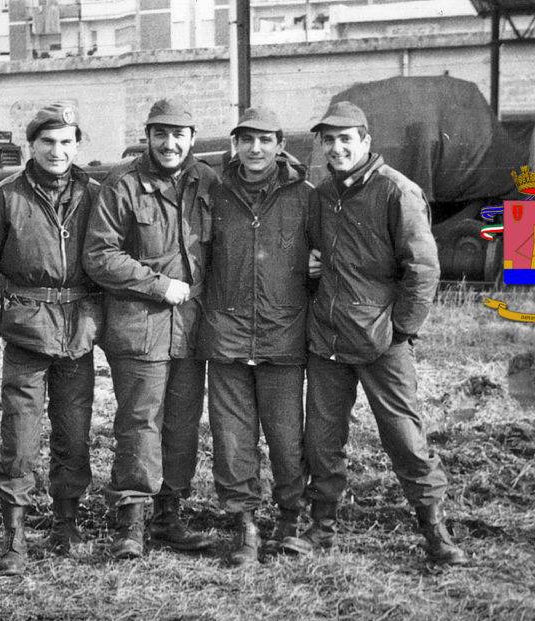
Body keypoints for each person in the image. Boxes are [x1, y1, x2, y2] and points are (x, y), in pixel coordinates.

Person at [303, 100, 466, 565]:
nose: (337, 149)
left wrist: (401, 331)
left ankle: (435, 529)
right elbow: (314, 260)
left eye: (345, 140)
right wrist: (312, 271)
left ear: (366, 141)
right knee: (322, 438)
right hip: (329, 338)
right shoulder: (320, 197)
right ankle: (323, 527)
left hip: (381, 341)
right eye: (329, 141)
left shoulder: (398, 192)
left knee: (403, 436)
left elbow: (423, 268)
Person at [0, 102, 101, 575]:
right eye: (48, 142)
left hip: (78, 331)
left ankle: (67, 523)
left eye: (66, 142)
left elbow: (113, 255)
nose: (57, 151)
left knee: (74, 433)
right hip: (25, 332)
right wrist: (0, 318)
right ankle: (15, 535)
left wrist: (97, 314)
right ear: (32, 145)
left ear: (77, 144)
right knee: (20, 438)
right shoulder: (3, 198)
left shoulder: (96, 195)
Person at [83, 98, 217, 559]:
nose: (170, 143)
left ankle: (169, 518)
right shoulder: (122, 184)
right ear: (148, 136)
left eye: (179, 134)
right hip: (139, 326)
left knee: (181, 425)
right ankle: (131, 525)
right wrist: (159, 286)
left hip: (192, 329)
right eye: (160, 134)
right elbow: (100, 256)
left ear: (193, 137)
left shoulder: (207, 182)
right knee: (140, 423)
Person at [198, 107, 315, 567]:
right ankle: (244, 525)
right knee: (231, 440)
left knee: (287, 439)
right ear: (235, 144)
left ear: (280, 143)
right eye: (246, 140)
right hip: (226, 338)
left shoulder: (305, 196)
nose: (256, 149)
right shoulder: (216, 193)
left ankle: (290, 519)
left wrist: (317, 266)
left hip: (282, 338)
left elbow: (330, 250)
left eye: (265, 140)